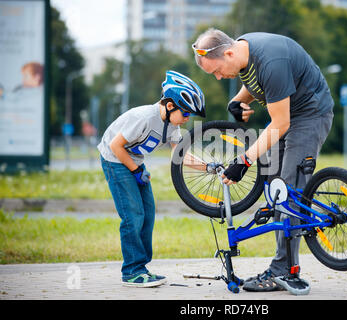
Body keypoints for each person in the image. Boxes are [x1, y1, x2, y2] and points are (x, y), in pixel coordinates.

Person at [192, 29, 334, 295]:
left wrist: (243, 161)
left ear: (229, 52)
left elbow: (281, 123)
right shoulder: (244, 53)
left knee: (288, 191)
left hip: (310, 115)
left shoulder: (271, 62)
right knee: (274, 186)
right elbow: (256, 83)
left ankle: (284, 270)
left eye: (218, 70)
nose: (220, 77)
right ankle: (283, 257)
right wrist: (237, 100)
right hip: (289, 114)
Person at [97, 70, 206, 287]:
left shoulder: (172, 125)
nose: (187, 119)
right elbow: (115, 146)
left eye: (189, 116)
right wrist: (136, 171)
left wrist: (209, 167)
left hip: (134, 161)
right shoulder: (145, 118)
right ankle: (131, 271)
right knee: (133, 215)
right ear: (170, 105)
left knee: (148, 214)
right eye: (186, 114)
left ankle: (142, 268)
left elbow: (180, 153)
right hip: (115, 161)